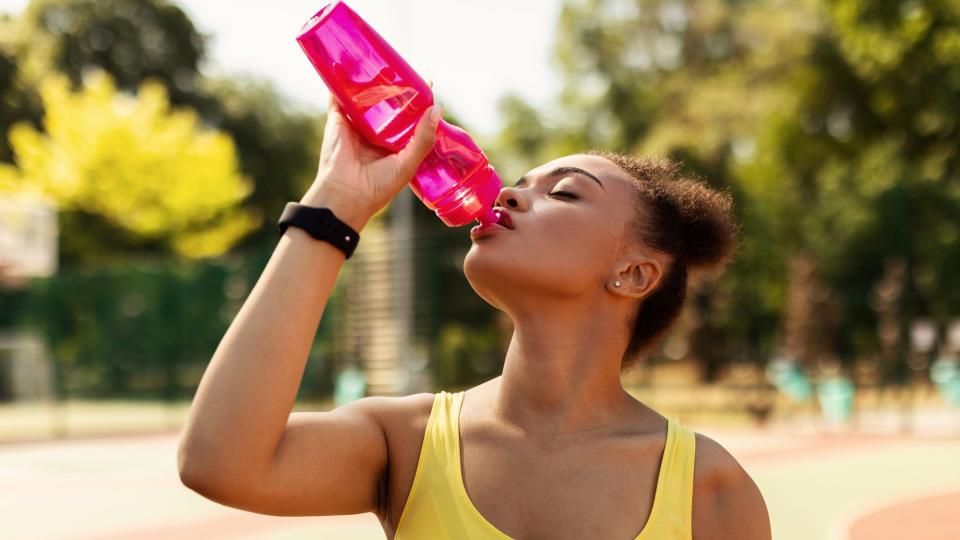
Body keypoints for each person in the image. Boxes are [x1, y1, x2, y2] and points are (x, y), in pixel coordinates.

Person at [177, 94, 772, 539]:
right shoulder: (405, 443)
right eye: (517, 184)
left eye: (563, 192)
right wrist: (335, 202)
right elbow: (218, 463)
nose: (507, 196)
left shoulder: (707, 489)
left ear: (635, 273)